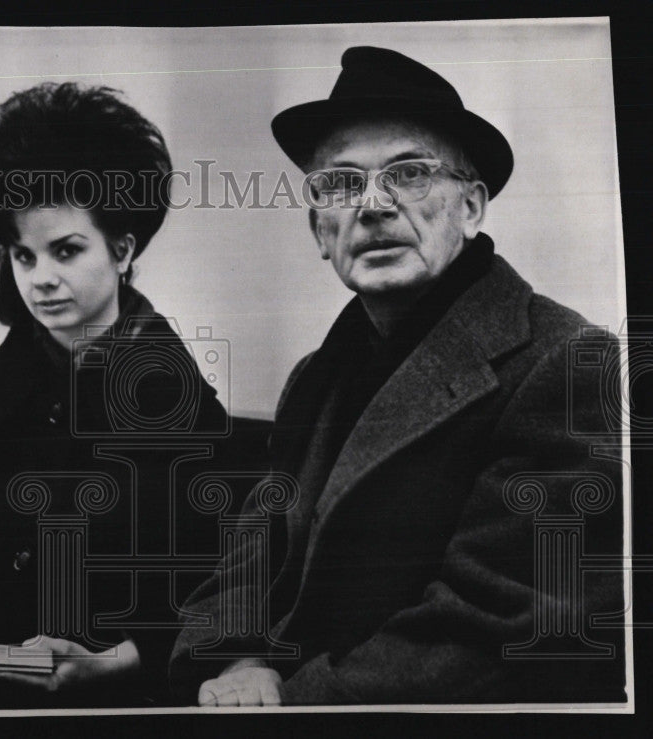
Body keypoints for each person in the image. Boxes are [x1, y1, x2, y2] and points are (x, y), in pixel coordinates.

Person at [168, 46, 625, 705]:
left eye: (409, 174)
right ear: (319, 230)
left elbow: (501, 626)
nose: (374, 205)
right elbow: (247, 560)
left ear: (471, 207)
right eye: (341, 184)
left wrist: (288, 697)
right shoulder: (315, 377)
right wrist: (237, 660)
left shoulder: (565, 362)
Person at [0, 82, 231, 703]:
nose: (41, 279)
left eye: (66, 250)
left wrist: (116, 662)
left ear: (121, 249)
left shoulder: (175, 401)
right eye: (23, 255)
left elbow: (216, 587)